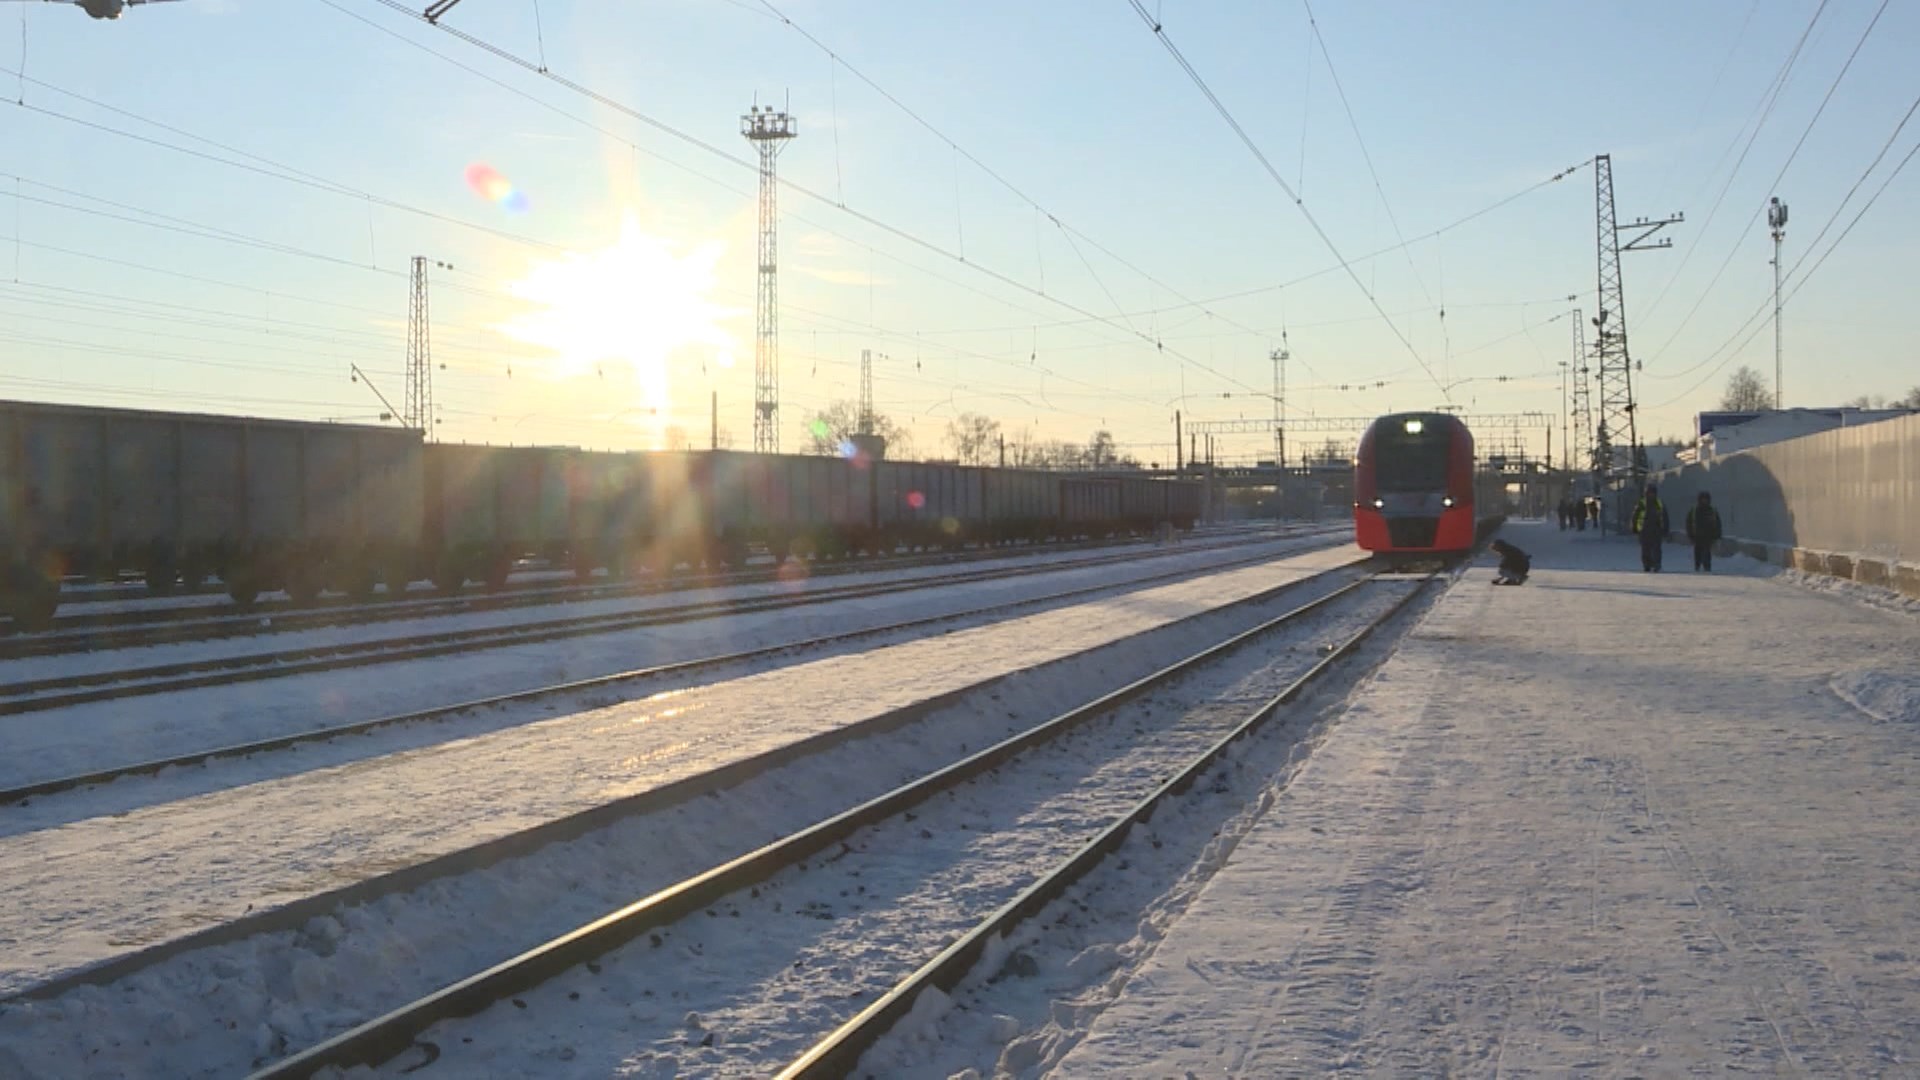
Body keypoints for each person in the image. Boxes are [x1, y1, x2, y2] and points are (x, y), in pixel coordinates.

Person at [1632, 483, 1668, 572]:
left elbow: (1665, 517)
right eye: (1649, 493)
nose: (1651, 495)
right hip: (1644, 530)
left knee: (1657, 549)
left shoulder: (1659, 503)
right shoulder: (1642, 503)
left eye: (1653, 493)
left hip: (1656, 529)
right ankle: (1647, 564)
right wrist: (1634, 527)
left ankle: (1657, 564)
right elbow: (1635, 516)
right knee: (1645, 549)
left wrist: (1665, 528)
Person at [1686, 490, 1723, 572]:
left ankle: (1707, 567)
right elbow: (1689, 523)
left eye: (1706, 499)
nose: (1704, 501)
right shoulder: (1694, 510)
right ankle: (1697, 566)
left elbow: (1717, 523)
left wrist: (1717, 535)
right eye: (1703, 499)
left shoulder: (1712, 511)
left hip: (1708, 536)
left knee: (1707, 552)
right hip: (1697, 536)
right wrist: (1690, 535)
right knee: (1698, 552)